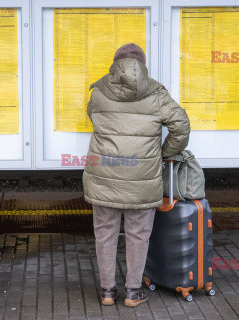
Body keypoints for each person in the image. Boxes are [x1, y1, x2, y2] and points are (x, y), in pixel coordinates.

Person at [83, 43, 190, 307]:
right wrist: (164, 153)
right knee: (138, 234)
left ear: (115, 64)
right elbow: (182, 127)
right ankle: (132, 292)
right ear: (143, 65)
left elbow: (92, 116)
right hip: (142, 177)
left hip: (103, 175)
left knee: (105, 233)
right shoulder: (156, 94)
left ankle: (107, 291)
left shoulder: (98, 92)